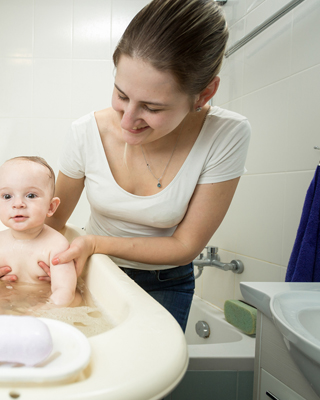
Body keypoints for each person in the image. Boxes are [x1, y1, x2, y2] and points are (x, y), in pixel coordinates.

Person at [25, 0, 251, 331]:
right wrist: (20, 260)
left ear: (204, 94)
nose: (128, 121)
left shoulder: (226, 134)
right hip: (94, 270)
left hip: (165, 283)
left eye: (152, 108)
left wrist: (96, 243)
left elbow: (185, 246)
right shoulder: (85, 133)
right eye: (121, 95)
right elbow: (54, 220)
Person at [0, 156, 81, 308]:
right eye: (7, 196)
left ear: (51, 207)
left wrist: (42, 313)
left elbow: (63, 291)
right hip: (5, 302)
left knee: (76, 299)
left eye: (31, 195)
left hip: (44, 304)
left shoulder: (57, 244)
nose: (18, 204)